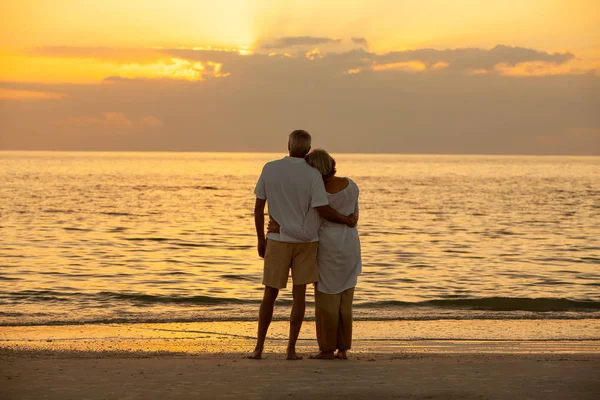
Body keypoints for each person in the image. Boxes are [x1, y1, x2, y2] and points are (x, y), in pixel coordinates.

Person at [250, 130, 357, 360]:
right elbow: (321, 208)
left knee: (270, 293)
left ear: (288, 145)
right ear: (308, 149)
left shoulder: (270, 168)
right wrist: (348, 219)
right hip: (307, 243)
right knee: (300, 297)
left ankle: (259, 348)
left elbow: (259, 208)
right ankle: (290, 349)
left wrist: (261, 239)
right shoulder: (313, 175)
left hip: (278, 240)